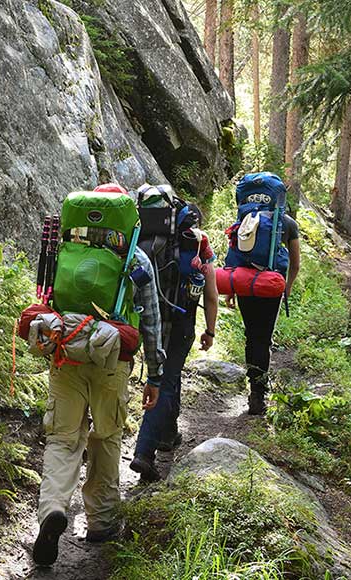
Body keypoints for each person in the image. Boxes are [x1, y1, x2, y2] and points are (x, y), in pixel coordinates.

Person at [32, 184, 165, 567]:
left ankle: (54, 509)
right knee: (105, 437)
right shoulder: (134, 255)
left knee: (62, 439)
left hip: (66, 355)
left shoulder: (64, 247)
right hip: (112, 360)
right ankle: (102, 522)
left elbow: (48, 300)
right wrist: (155, 375)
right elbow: (151, 320)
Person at [129, 185, 219, 482]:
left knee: (170, 376)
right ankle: (144, 453)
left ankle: (168, 433)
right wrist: (210, 329)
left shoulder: (138, 238)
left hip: (145, 320)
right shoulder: (197, 243)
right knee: (166, 381)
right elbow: (212, 293)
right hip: (181, 321)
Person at [225, 187, 301, 415]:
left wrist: (231, 289)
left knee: (251, 336)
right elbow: (295, 264)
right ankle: (259, 394)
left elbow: (236, 255)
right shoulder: (287, 223)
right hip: (272, 286)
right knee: (264, 338)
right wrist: (286, 288)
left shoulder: (246, 219)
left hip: (246, 285)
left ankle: (253, 388)